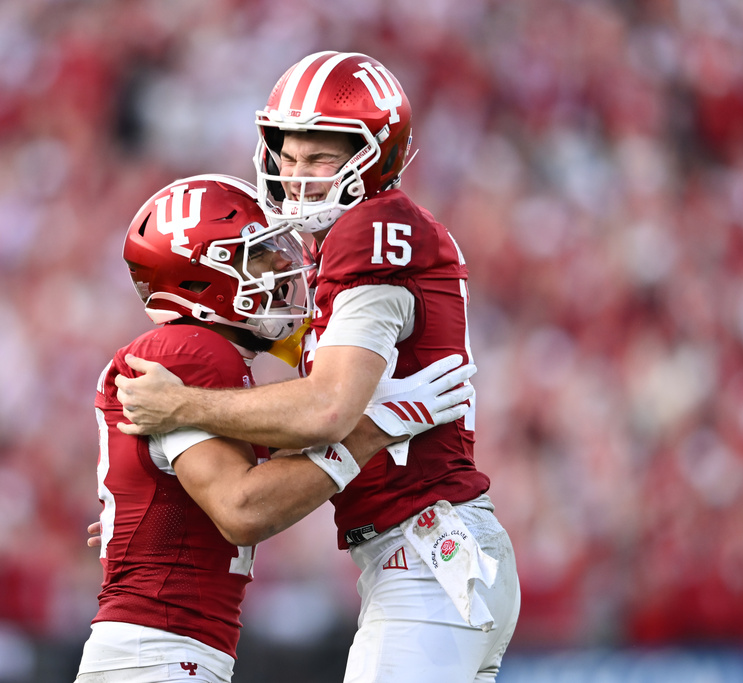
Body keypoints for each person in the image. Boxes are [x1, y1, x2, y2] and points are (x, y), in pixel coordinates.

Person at [113, 52, 521, 682]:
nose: (298, 176)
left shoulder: (371, 228)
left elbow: (327, 408)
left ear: (375, 153)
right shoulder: (346, 246)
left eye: (322, 156)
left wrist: (182, 407)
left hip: (429, 553)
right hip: (429, 555)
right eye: (290, 155)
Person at [77, 173, 476, 683]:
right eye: (260, 253)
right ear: (201, 278)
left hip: (161, 651)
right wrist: (374, 427)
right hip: (156, 653)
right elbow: (242, 509)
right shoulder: (192, 352)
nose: (286, 265)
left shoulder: (198, 354)